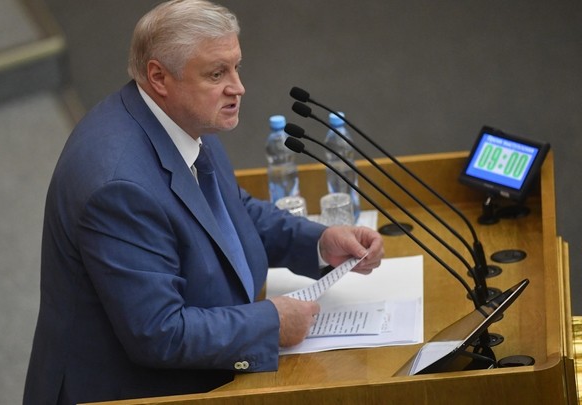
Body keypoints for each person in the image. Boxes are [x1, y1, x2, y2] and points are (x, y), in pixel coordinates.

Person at [23, 1, 384, 403]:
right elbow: (159, 332)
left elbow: (231, 211)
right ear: (159, 76)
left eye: (236, 67)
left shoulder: (180, 117)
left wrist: (318, 242)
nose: (237, 87)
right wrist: (271, 323)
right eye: (216, 74)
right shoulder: (119, 187)